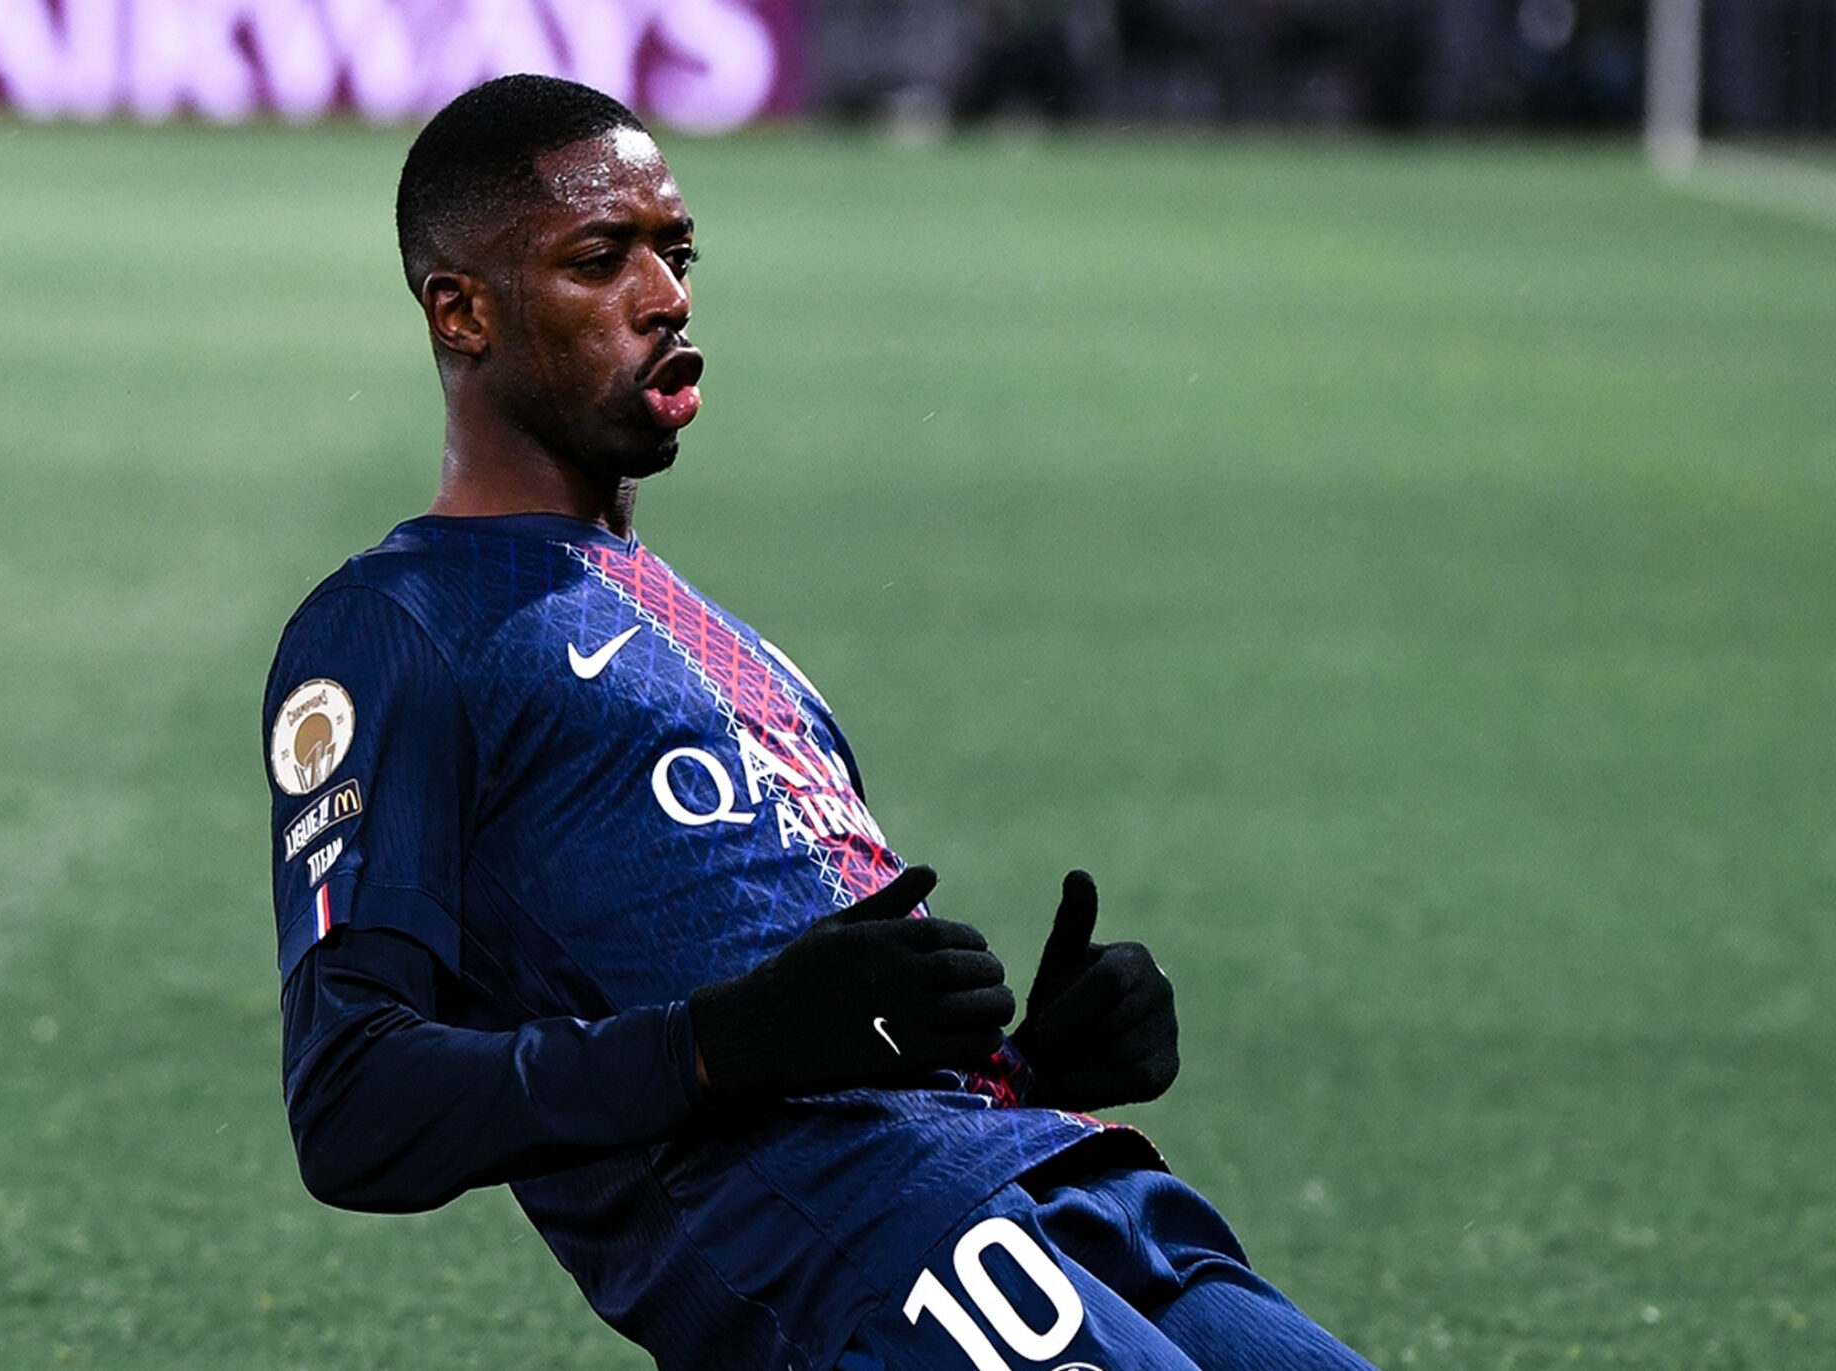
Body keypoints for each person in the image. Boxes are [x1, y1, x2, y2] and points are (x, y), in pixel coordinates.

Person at [264, 73, 1377, 1371]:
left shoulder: (741, 653)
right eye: (601, 259)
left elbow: (821, 1034)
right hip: (867, 1250)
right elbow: (355, 1104)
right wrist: (719, 1044)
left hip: (1071, 1188)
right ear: (462, 311)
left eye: (677, 255)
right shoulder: (398, 625)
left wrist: (1030, 1065)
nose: (666, 297)